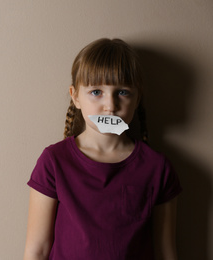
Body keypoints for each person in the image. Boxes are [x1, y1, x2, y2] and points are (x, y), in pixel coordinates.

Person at [23, 38, 182, 260]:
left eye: (123, 92)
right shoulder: (54, 161)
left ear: (137, 98)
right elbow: (36, 250)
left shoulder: (157, 168)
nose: (110, 105)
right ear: (75, 96)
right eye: (96, 92)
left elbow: (166, 252)